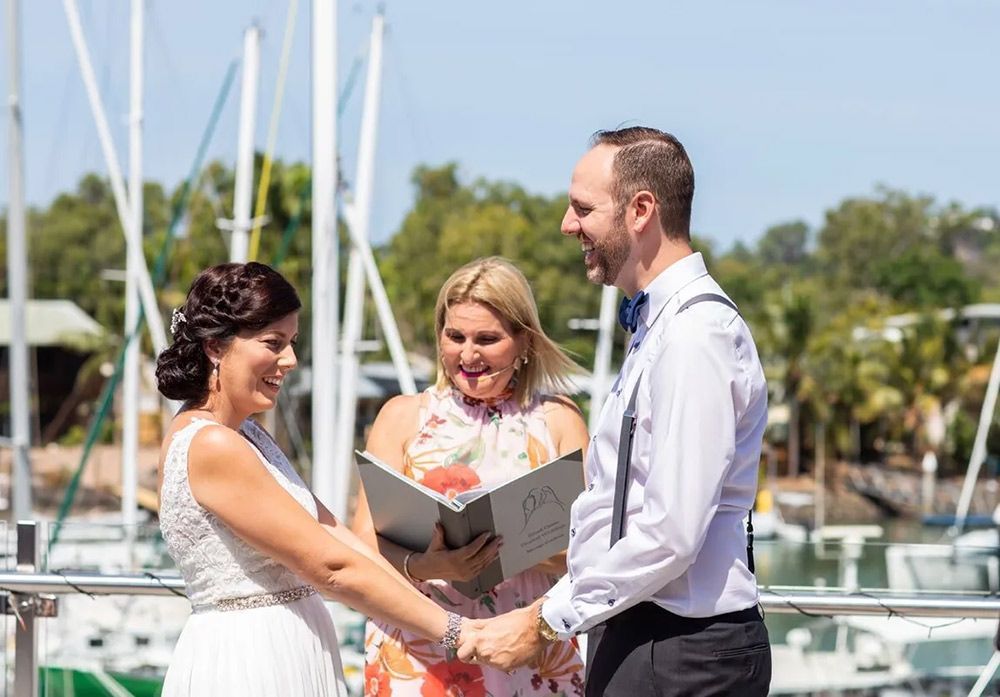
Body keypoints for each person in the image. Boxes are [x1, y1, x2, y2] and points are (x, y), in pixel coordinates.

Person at [459, 127, 772, 696]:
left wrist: (544, 621)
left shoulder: (694, 335)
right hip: (640, 633)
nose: (566, 224)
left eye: (583, 208)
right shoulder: (657, 327)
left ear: (641, 211)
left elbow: (672, 532)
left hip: (680, 648)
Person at [155, 262, 474, 697]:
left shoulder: (247, 433)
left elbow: (336, 536)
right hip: (251, 661)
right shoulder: (212, 444)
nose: (290, 360)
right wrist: (461, 634)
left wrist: (432, 608)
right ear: (215, 346)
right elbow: (331, 568)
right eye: (274, 343)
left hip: (289, 646)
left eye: (292, 343)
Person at [351, 256, 590, 696]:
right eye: (454, 336)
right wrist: (428, 564)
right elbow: (362, 541)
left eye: (487, 339)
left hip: (528, 649)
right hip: (416, 649)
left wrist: (506, 550)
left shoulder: (558, 419)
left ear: (524, 342)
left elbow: (592, 547)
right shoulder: (402, 416)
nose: (468, 354)